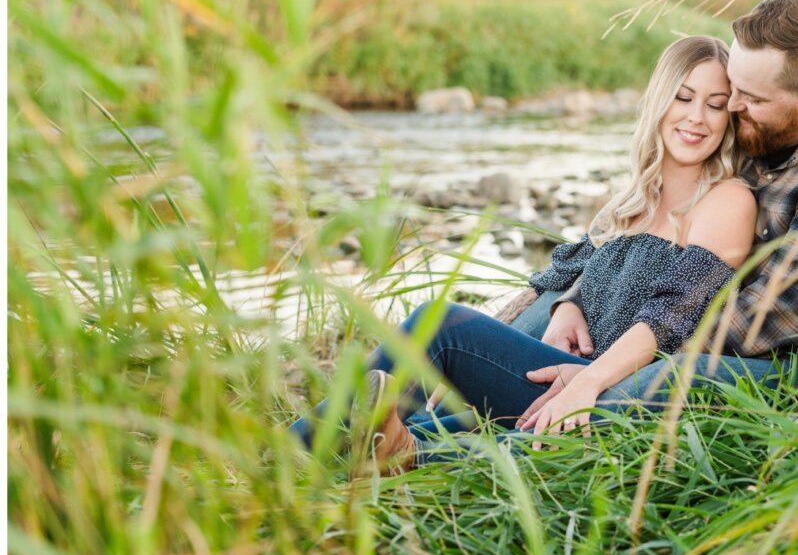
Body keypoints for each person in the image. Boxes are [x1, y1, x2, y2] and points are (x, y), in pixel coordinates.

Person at [290, 35, 765, 471]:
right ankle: (319, 458)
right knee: (427, 425)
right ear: (660, 101)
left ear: (730, 118)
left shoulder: (726, 200)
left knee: (442, 324)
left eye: (715, 105)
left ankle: (293, 455)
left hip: (614, 389)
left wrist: (585, 383)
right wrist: (567, 306)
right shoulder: (634, 200)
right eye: (683, 98)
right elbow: (578, 264)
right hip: (558, 373)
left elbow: (670, 317)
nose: (696, 118)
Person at [529, 0, 798, 413]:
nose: (733, 107)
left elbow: (757, 321)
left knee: (662, 378)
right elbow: (651, 224)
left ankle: (490, 456)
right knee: (514, 322)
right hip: (703, 329)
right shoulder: (771, 121)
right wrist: (575, 300)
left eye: (751, 98)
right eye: (734, 88)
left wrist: (606, 365)